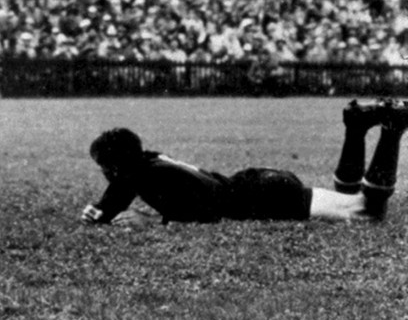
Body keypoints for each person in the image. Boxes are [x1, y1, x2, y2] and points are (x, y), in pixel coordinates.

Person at [81, 98, 408, 226]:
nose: (105, 174)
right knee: (352, 202)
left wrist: (151, 222)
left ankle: (392, 130)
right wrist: (102, 212)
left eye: (105, 168)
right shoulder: (146, 163)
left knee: (368, 212)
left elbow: (204, 215)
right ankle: (356, 127)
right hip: (256, 182)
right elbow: (117, 193)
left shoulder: (149, 177)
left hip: (260, 197)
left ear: (116, 167)